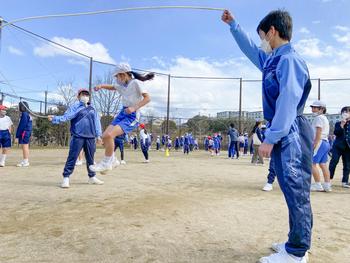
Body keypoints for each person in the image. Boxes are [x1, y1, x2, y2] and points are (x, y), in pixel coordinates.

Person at [222, 9, 313, 262]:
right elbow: (251, 50)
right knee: (289, 187)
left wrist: (271, 138)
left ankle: (297, 253)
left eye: (262, 35)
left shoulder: (290, 60)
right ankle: (295, 243)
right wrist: (234, 25)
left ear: (272, 31)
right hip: (284, 128)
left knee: (296, 191)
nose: (261, 41)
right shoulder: (272, 59)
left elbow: (288, 101)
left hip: (290, 130)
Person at [90, 63, 153, 173]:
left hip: (133, 115)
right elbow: (112, 87)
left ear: (123, 75)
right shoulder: (122, 85)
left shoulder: (136, 83)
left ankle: (106, 163)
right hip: (123, 112)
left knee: (110, 135)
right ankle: (113, 160)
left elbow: (147, 98)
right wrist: (101, 86)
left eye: (117, 76)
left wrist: (134, 107)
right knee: (105, 136)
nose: (116, 79)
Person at [48, 89, 103, 188]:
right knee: (72, 157)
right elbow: (67, 117)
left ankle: (92, 177)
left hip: (90, 137)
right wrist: (55, 118)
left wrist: (98, 135)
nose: (85, 96)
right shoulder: (74, 107)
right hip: (78, 135)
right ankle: (66, 177)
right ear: (78, 96)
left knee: (91, 158)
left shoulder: (92, 108)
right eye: (83, 94)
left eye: (87, 94)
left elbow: (97, 123)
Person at [310, 101, 331, 192]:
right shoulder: (324, 118)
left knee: (312, 164)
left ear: (322, 109)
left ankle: (318, 184)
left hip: (320, 142)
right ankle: (327, 185)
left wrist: (315, 143)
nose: (313, 109)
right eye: (313, 107)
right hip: (325, 142)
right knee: (323, 164)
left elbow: (319, 131)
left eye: (315, 107)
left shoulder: (318, 118)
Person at [329, 106, 350, 188]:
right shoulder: (338, 123)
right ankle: (328, 179)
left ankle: (345, 181)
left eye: (347, 112)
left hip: (348, 147)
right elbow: (337, 133)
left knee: (347, 165)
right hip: (337, 147)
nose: (346, 114)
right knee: (333, 162)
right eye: (344, 112)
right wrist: (342, 124)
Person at [16, 101, 32, 167]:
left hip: (24, 132)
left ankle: (26, 162)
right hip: (27, 132)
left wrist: (17, 135)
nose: (18, 107)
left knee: (25, 146)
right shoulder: (28, 114)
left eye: (19, 106)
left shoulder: (24, 114)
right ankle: (25, 160)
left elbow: (22, 125)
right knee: (25, 146)